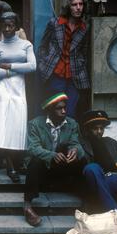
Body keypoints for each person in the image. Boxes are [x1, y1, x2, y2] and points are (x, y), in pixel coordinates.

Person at [0, 12, 36, 183]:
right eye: (4, 25)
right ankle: (10, 166)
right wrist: (15, 70)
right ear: (0, 26)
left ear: (16, 26)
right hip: (2, 89)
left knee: (17, 125)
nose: (7, 29)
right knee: (5, 127)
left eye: (11, 25)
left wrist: (9, 65)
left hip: (19, 89)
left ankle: (18, 161)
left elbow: (33, 66)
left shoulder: (26, 45)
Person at [24, 92, 85, 226]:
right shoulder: (35, 124)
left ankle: (88, 201)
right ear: (49, 110)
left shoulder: (72, 123)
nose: (63, 111)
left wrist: (75, 150)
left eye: (65, 108)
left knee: (82, 160)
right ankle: (28, 206)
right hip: (43, 171)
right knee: (34, 161)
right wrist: (52, 155)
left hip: (62, 169)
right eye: (59, 108)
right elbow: (33, 148)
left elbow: (76, 143)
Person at [37, 0, 90, 119]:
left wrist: (81, 63)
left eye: (80, 4)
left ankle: (67, 139)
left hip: (74, 76)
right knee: (55, 110)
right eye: (74, 4)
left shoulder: (85, 28)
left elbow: (85, 51)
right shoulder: (55, 23)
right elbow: (42, 46)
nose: (78, 8)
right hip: (55, 74)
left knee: (70, 112)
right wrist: (43, 64)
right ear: (68, 6)